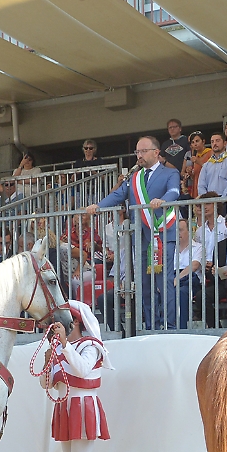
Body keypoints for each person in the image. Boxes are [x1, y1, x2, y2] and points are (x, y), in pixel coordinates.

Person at [86, 136, 181, 329]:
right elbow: (118, 194)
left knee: (165, 282)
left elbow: (174, 192)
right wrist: (99, 205)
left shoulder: (170, 173)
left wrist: (162, 200)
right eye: (137, 152)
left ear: (156, 152)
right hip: (141, 236)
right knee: (145, 284)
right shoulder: (134, 177)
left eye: (143, 151)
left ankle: (169, 325)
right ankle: (151, 324)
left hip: (163, 233)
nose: (139, 155)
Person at [44, 300, 113, 452]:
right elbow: (46, 384)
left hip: (83, 406)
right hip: (66, 407)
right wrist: (48, 365)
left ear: (74, 323)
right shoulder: (64, 348)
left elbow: (83, 370)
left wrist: (63, 347)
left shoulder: (91, 345)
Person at [169, 218, 202, 330]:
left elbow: (194, 266)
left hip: (190, 278)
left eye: (180, 230)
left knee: (181, 292)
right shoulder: (169, 248)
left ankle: (181, 328)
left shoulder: (198, 247)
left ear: (189, 231)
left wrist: (176, 279)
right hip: (171, 276)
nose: (177, 233)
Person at [182, 131, 211, 200]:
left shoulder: (210, 153)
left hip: (207, 187)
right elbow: (195, 175)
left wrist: (198, 162)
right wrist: (190, 173)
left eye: (197, 141)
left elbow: (212, 170)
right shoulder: (196, 156)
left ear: (203, 141)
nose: (195, 144)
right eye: (193, 142)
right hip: (196, 187)